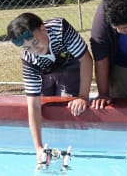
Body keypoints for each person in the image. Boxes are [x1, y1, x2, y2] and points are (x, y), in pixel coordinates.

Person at [7, 12, 92, 167]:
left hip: (70, 65)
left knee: (68, 104)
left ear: (43, 29)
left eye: (36, 42)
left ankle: (74, 142)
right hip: (45, 71)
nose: (34, 49)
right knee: (46, 106)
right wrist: (38, 147)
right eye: (27, 47)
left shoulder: (60, 29)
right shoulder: (29, 59)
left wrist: (83, 96)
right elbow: (33, 104)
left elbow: (85, 59)